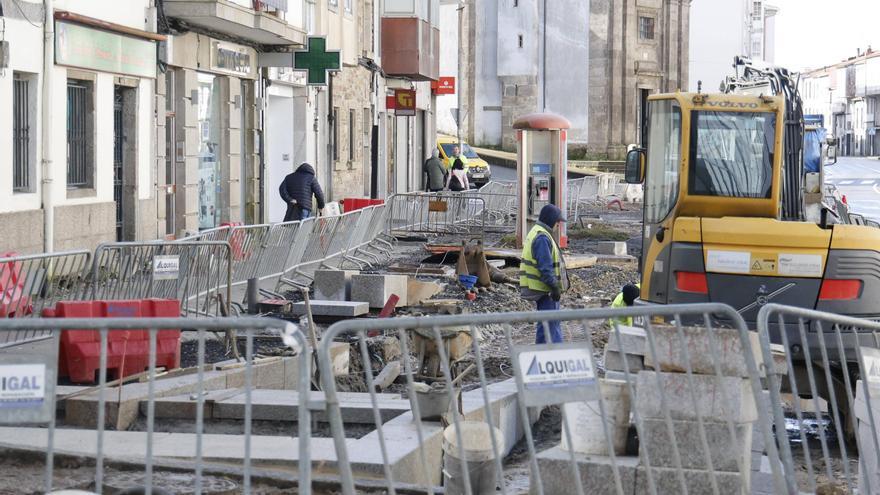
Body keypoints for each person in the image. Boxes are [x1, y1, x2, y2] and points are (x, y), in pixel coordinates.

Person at [520, 204, 569, 344]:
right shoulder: (542, 237)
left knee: (550, 326)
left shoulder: (538, 232)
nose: (558, 225)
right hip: (545, 290)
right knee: (549, 327)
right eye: (558, 222)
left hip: (543, 289)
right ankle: (546, 357)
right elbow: (545, 267)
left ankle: (552, 356)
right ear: (551, 220)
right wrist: (554, 287)